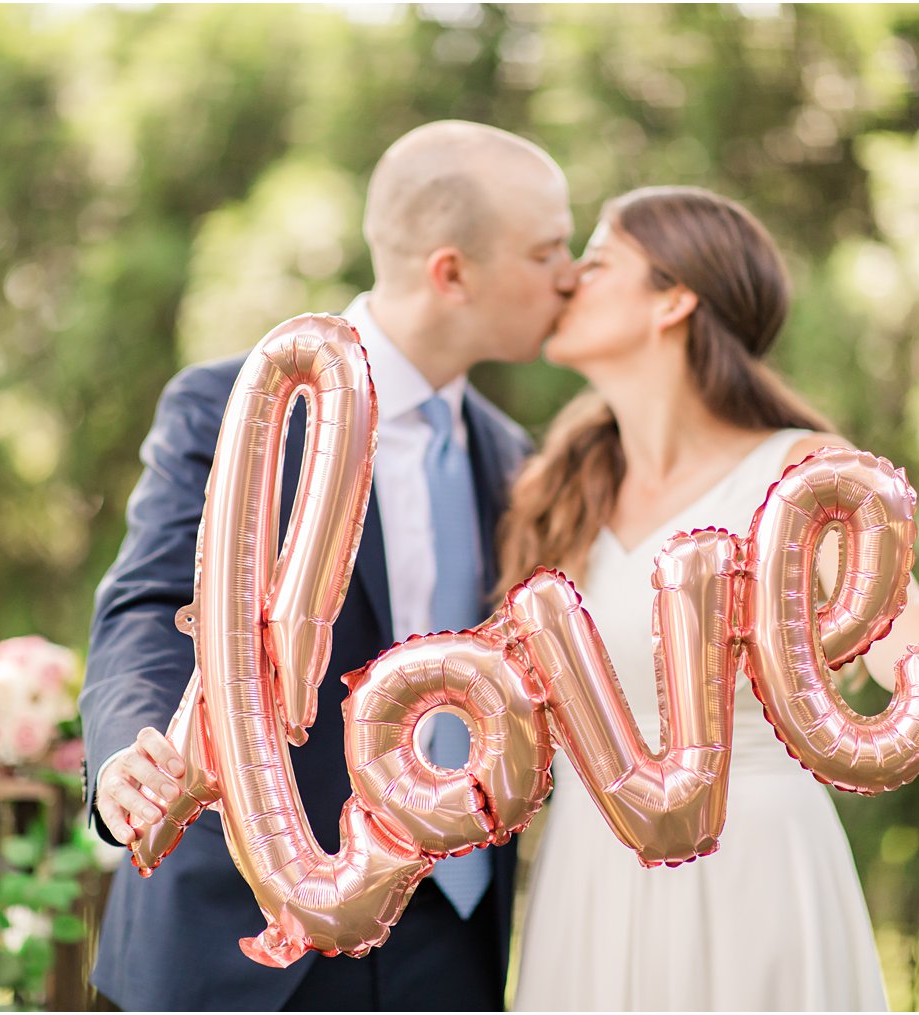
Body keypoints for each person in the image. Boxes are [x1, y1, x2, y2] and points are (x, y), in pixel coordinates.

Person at [78, 120, 576, 1011]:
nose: (569, 275)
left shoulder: (515, 457)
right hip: (240, 932)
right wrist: (129, 750)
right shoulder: (240, 408)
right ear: (451, 271)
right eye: (548, 251)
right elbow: (151, 603)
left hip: (450, 937)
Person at [499, 185, 919, 1011]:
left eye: (596, 263)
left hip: (753, 865)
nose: (568, 280)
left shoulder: (797, 470)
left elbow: (895, 613)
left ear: (673, 298)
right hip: (588, 870)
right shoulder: (556, 493)